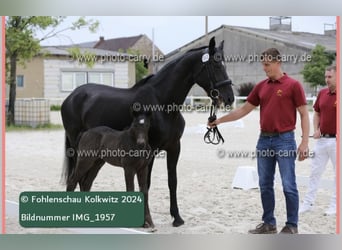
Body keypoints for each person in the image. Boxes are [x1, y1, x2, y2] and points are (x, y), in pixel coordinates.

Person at [208, 48, 310, 234]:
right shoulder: (261, 86)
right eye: (262, 64)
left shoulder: (293, 85)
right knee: (264, 184)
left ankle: (292, 225)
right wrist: (220, 121)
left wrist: (304, 142)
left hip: (285, 140)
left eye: (267, 64)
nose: (264, 68)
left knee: (288, 184)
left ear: (278, 62)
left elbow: (304, 114)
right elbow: (243, 110)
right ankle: (269, 223)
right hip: (264, 140)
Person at [299, 65, 337, 216]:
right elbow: (316, 114)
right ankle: (308, 203)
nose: (326, 79)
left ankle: (335, 205)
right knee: (315, 172)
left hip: (336, 142)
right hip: (321, 141)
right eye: (325, 76)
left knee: (337, 175)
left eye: (330, 77)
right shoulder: (322, 93)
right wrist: (316, 130)